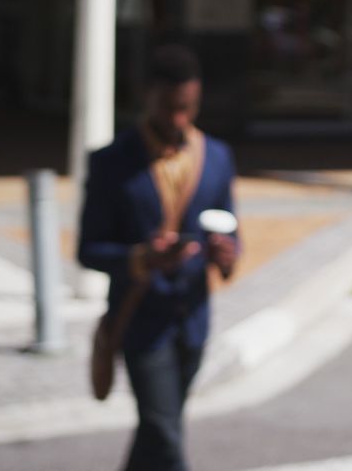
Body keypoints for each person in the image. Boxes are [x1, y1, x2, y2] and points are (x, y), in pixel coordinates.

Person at [78, 44, 239, 471]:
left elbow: (230, 230)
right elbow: (87, 249)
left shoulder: (217, 157)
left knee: (159, 427)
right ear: (147, 95)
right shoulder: (112, 163)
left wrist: (226, 254)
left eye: (188, 108)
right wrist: (141, 258)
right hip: (139, 319)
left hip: (194, 321)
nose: (180, 119)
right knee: (164, 432)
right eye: (171, 108)